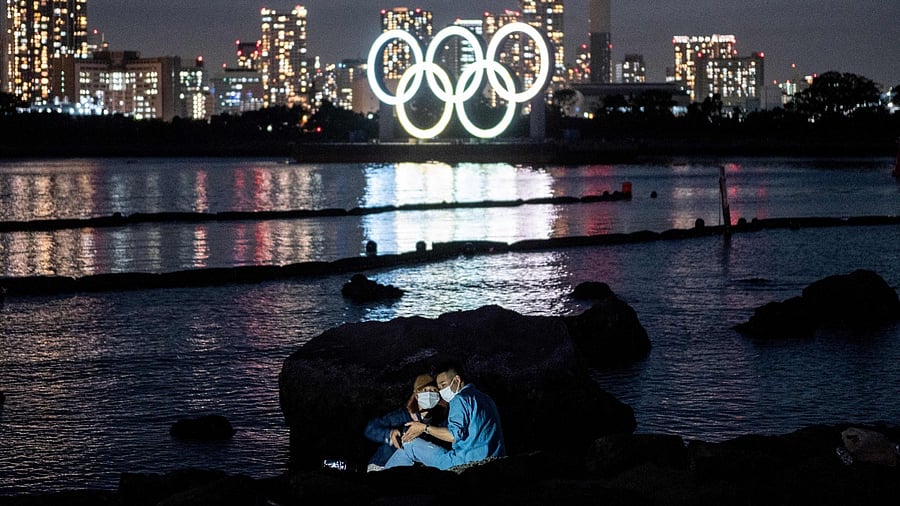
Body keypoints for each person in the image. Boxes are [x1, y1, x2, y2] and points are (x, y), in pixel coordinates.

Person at [384, 361, 505, 470]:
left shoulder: (459, 399)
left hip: (464, 461)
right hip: (494, 457)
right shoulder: (486, 398)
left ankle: (381, 478)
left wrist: (424, 428)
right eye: (439, 387)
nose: (442, 390)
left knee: (410, 445)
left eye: (443, 385)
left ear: (457, 380)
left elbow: (453, 435)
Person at [363, 373, 448, 472]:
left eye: (434, 390)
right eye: (425, 390)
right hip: (382, 465)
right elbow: (371, 428)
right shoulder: (402, 416)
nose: (430, 394)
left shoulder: (438, 421)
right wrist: (389, 434)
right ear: (417, 395)